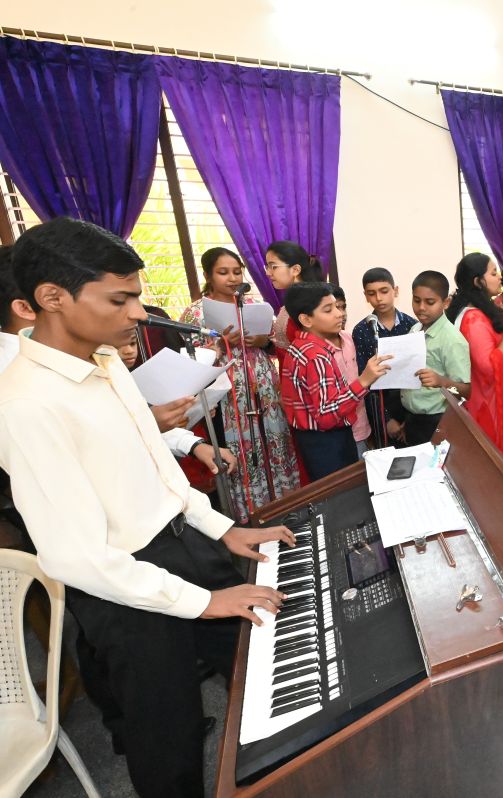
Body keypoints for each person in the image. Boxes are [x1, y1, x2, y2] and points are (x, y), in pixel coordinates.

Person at [0, 217, 294, 798]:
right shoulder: (26, 403)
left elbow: (155, 465)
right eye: (120, 299)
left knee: (259, 659)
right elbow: (78, 557)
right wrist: (202, 601)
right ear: (52, 298)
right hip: (122, 585)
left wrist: (220, 527)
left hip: (182, 541)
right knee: (168, 736)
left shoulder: (106, 361)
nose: (138, 313)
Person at [180, 247, 300, 523]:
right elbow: (190, 362)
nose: (233, 278)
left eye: (237, 272)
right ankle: (251, 515)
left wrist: (263, 342)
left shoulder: (253, 304)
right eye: (224, 272)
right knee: (242, 454)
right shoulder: (195, 314)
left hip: (265, 392)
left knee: (274, 444)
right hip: (227, 399)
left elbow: (277, 345)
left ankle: (285, 506)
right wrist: (220, 345)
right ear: (208, 275)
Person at [281, 283, 392, 480]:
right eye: (328, 310)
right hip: (328, 442)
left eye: (338, 307)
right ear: (306, 319)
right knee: (342, 491)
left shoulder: (300, 346)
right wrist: (363, 381)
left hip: (313, 439)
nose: (339, 314)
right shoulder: (316, 356)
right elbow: (326, 415)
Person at [447, 253, 503, 459]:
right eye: (493, 273)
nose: (500, 277)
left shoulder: (479, 311)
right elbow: (491, 366)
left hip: (486, 400)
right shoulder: (473, 318)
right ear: (478, 281)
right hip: (484, 406)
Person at [402, 271, 471, 447]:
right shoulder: (414, 329)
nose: (421, 307)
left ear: (446, 302)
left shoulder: (452, 340)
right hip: (412, 418)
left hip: (437, 421)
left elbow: (465, 391)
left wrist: (442, 382)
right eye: (416, 300)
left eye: (430, 302)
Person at [351, 267, 418, 446]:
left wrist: (409, 420)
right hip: (379, 406)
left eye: (384, 291)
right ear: (365, 296)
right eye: (372, 293)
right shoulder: (362, 330)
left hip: (411, 404)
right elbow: (365, 380)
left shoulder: (412, 325)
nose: (379, 298)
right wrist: (386, 419)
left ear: (395, 291)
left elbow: (417, 373)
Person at [327, 286, 372, 458]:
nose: (341, 314)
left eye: (342, 307)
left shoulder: (348, 338)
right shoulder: (319, 349)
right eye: (332, 309)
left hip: (361, 425)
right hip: (338, 429)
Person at [264, 240, 323, 351]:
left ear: (295, 269)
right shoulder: (291, 301)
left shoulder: (309, 303)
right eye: (267, 267)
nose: (268, 273)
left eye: (273, 267)